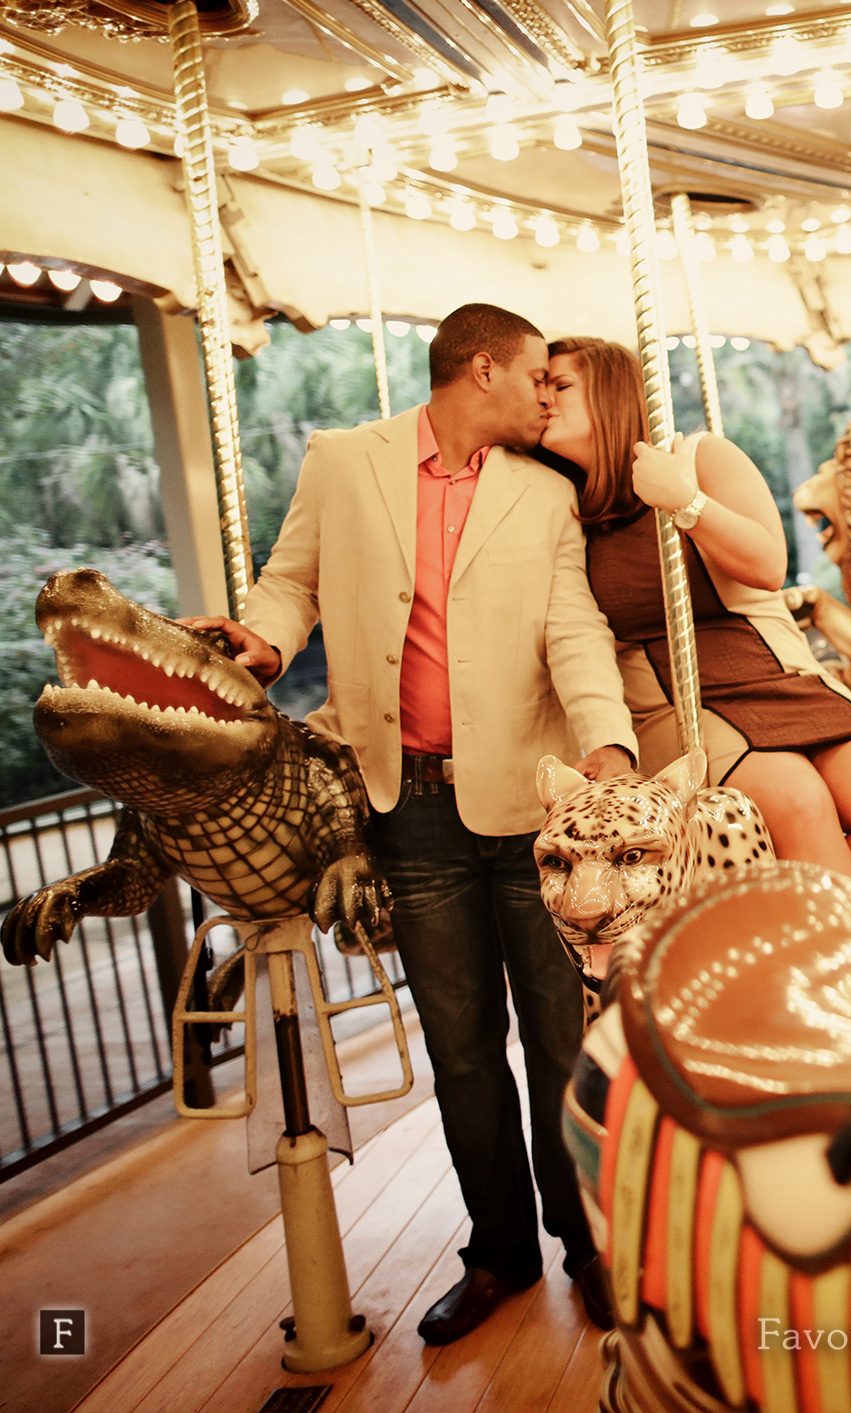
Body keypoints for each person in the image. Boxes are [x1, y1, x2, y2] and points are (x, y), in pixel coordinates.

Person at [185, 305, 638, 1344]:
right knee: (462, 1049)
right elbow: (291, 579)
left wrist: (607, 751)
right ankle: (501, 1254)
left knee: (562, 1042)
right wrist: (262, 640)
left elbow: (572, 625)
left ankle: (591, 1249)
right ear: (484, 369)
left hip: (533, 810)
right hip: (409, 808)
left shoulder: (543, 495)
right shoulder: (345, 461)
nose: (545, 395)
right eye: (535, 378)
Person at [539, 336, 851, 912]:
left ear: (610, 394)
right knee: (796, 802)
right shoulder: (560, 502)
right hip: (676, 698)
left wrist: (685, 501)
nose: (545, 399)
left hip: (773, 671)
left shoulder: (697, 457)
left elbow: (768, 566)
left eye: (561, 385)